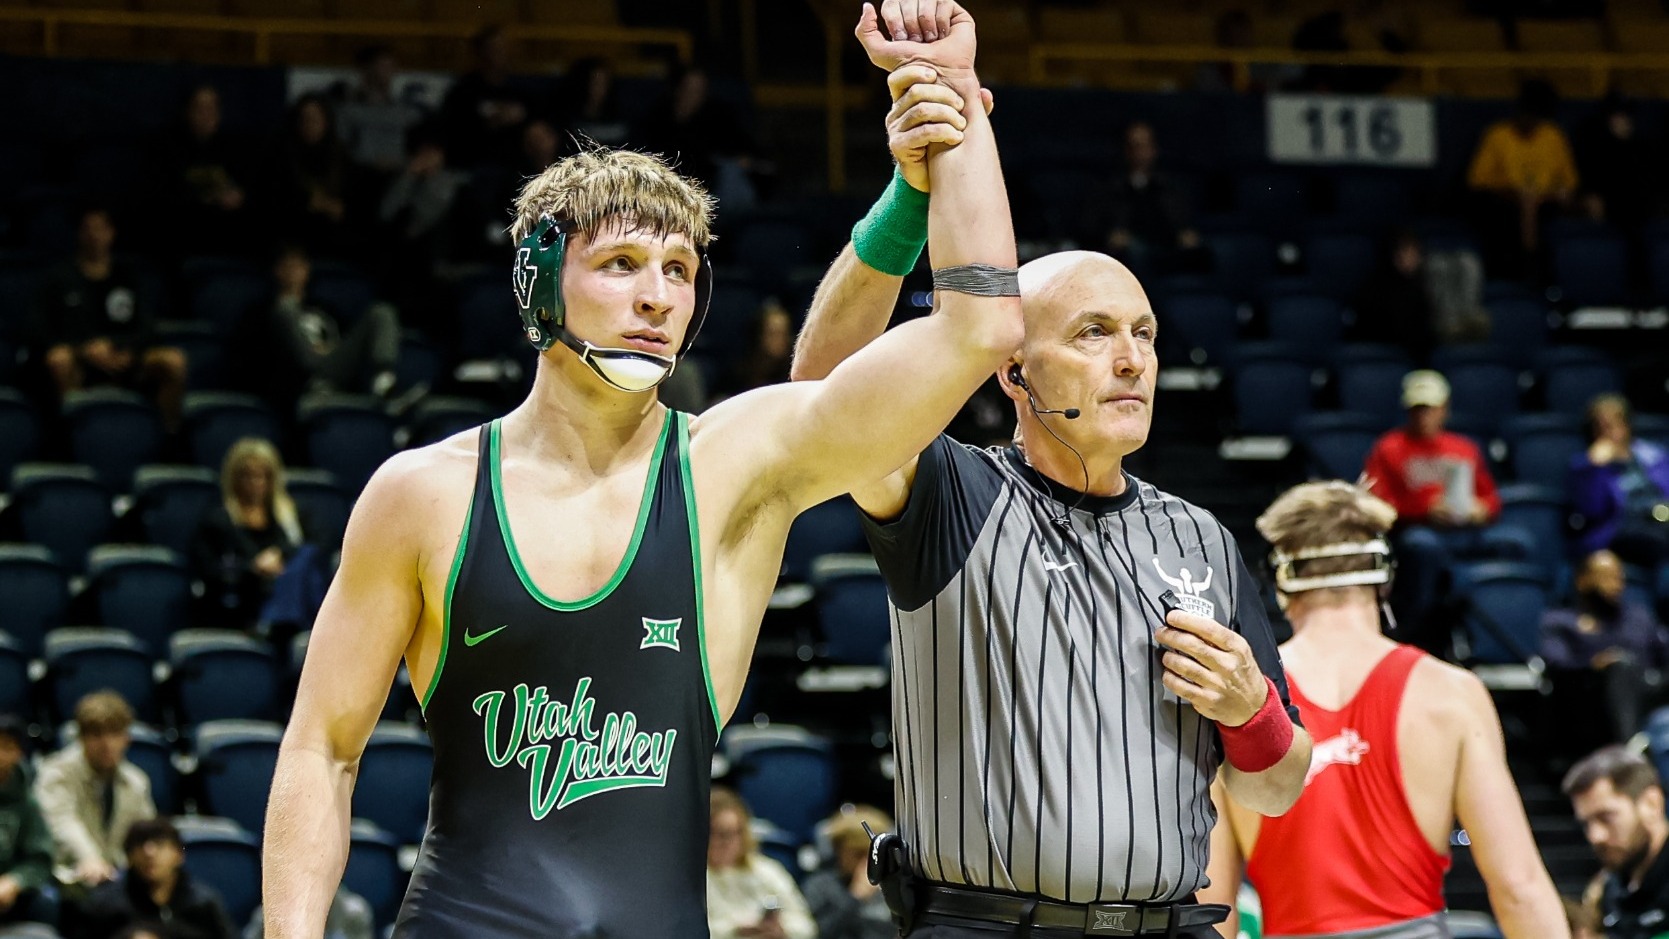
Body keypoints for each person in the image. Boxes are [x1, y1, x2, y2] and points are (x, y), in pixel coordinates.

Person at [260, 4, 1026, 936]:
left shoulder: (732, 465)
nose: (657, 296)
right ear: (538, 281)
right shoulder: (423, 493)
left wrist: (947, 125)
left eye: (677, 268)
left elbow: (980, 328)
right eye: (620, 263)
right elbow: (322, 748)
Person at [791, 22, 1311, 938]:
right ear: (1012, 371)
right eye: (1092, 333)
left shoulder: (1200, 538)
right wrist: (909, 204)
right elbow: (821, 395)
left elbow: (1274, 785)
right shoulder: (952, 495)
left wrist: (1250, 708)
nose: (1130, 360)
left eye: (1143, 334)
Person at [1199, 480, 1568, 938]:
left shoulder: (1240, 699)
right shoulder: (1449, 692)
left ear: (1280, 582)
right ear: (1385, 576)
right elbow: (1519, 887)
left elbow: (1212, 906)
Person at [1362, 369, 1532, 651]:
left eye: (1430, 408)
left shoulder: (1463, 448)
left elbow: (1491, 499)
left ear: (1444, 409)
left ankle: (1498, 635)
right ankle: (1418, 633)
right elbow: (1377, 505)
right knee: (1423, 546)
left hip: (1464, 531)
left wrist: (1481, 510)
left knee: (1517, 542)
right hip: (1415, 532)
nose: (1423, 415)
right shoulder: (1388, 448)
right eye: (1417, 409)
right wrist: (1423, 510)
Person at [33, 205, 188, 429]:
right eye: (88, 229)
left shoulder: (127, 277)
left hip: (125, 358)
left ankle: (168, 437)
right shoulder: (58, 278)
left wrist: (122, 348)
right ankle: (69, 436)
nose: (94, 235)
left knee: (173, 361)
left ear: (112, 233)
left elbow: (147, 329)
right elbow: (38, 330)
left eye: (100, 228)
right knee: (59, 359)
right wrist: (83, 349)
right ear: (79, 234)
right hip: (80, 361)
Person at [241, 245, 400, 404]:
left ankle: (384, 382)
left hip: (333, 370)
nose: (294, 272)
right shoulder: (263, 312)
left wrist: (330, 350)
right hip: (299, 381)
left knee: (382, 311)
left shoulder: (323, 308)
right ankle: (317, 386)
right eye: (288, 266)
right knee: (286, 308)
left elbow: (345, 341)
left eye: (299, 266)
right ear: (276, 271)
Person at [1542, 549, 1669, 746]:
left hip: (1647, 690)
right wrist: (1593, 665)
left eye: (1619, 577)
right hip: (1591, 702)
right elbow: (1557, 665)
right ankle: (1629, 746)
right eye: (1606, 577)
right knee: (1619, 667)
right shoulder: (1561, 622)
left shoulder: (1638, 618)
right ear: (1582, 581)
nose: (1616, 585)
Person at [34, 691, 155, 890]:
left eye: (115, 733)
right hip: (67, 875)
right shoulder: (56, 773)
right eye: (97, 735)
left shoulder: (136, 781)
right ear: (81, 738)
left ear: (127, 738)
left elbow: (143, 833)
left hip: (117, 878)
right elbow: (62, 823)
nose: (107, 744)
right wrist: (90, 859)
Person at [192, 437, 312, 631]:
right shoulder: (217, 521)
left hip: (284, 602)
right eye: (247, 476)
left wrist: (280, 555)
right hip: (237, 604)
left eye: (262, 476)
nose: (255, 483)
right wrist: (252, 568)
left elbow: (307, 548)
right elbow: (208, 568)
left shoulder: (289, 518)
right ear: (234, 478)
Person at [1466, 79, 1578, 280]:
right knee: (1512, 215)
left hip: (1546, 204)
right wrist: (1517, 196)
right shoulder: (1497, 135)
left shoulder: (1553, 136)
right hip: (1505, 204)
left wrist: (1551, 195)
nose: (1532, 122)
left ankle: (1551, 277)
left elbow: (1569, 182)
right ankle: (1523, 272)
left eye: (1537, 118)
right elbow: (1478, 181)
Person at [1564, 745, 1669, 939]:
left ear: (1652, 804)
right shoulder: (1605, 890)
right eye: (1586, 824)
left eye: (1606, 818)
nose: (1595, 836)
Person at [81, 818, 235, 939]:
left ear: (179, 854)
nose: (150, 853)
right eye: (140, 845)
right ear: (129, 857)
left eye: (160, 845)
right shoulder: (105, 905)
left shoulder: (204, 903)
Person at [155, 84, 256, 258]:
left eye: (211, 108)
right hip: (184, 237)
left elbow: (250, 189)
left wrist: (240, 196)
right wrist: (208, 198)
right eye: (200, 108)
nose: (206, 115)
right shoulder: (167, 148)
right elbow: (163, 196)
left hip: (228, 236)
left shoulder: (235, 148)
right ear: (187, 111)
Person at [1571, 393, 1669, 571]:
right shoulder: (1585, 466)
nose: (1610, 432)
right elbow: (1594, 511)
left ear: (1627, 425)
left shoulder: (1654, 457)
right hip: (1618, 533)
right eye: (1601, 426)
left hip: (1659, 526)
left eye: (1614, 424)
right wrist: (1596, 469)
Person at [706, 788, 816, 939]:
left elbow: (806, 927)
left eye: (735, 833)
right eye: (720, 834)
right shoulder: (691, 879)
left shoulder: (768, 871)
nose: (728, 843)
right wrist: (736, 930)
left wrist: (782, 930)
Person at [1104, 121, 1201, 278]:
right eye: (1135, 146)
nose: (1140, 152)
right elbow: (1098, 227)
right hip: (1130, 252)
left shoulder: (1169, 186)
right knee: (1137, 254)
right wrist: (1112, 235)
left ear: (1154, 149)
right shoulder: (1110, 187)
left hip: (1166, 246)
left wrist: (1185, 233)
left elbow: (1181, 223)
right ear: (1126, 150)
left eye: (1145, 146)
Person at [273, 94, 353, 259]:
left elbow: (349, 205)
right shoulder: (282, 155)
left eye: (315, 119)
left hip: (334, 239)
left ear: (326, 121)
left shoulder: (340, 156)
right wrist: (307, 202)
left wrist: (331, 207)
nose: (310, 124)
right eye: (304, 119)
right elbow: (276, 199)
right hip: (292, 236)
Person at [439, 26, 529, 169]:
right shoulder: (464, 90)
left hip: (515, 159)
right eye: (493, 49)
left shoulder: (521, 88)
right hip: (473, 159)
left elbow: (535, 118)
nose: (500, 55)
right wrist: (489, 121)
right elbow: (452, 127)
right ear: (480, 53)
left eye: (503, 49)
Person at [0, 714, 59, 929]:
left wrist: (15, 881)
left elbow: (39, 858)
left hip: (7, 894)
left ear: (19, 753)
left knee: (46, 904)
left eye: (6, 747)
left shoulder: (27, 803)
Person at [802, 805, 895, 939]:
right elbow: (820, 933)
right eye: (859, 854)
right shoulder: (819, 886)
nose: (867, 863)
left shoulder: (893, 883)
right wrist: (855, 897)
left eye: (873, 855)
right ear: (838, 851)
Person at [714, 298, 793, 400]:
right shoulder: (737, 375)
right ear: (758, 335)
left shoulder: (791, 377)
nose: (781, 340)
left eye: (784, 334)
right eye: (774, 334)